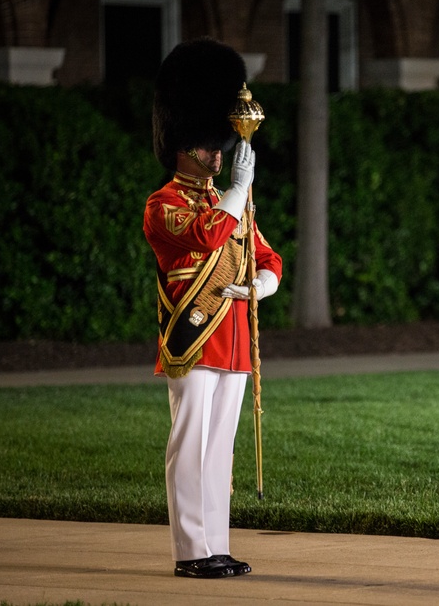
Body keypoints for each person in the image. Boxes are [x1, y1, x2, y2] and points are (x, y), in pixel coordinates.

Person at [143, 37, 283, 579]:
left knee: (219, 451)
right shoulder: (164, 204)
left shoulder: (225, 199)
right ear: (186, 144)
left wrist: (262, 286)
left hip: (233, 339)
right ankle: (189, 552)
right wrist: (238, 189)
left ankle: (215, 545)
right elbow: (207, 234)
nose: (221, 155)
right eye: (213, 145)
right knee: (191, 445)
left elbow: (264, 254)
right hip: (192, 337)